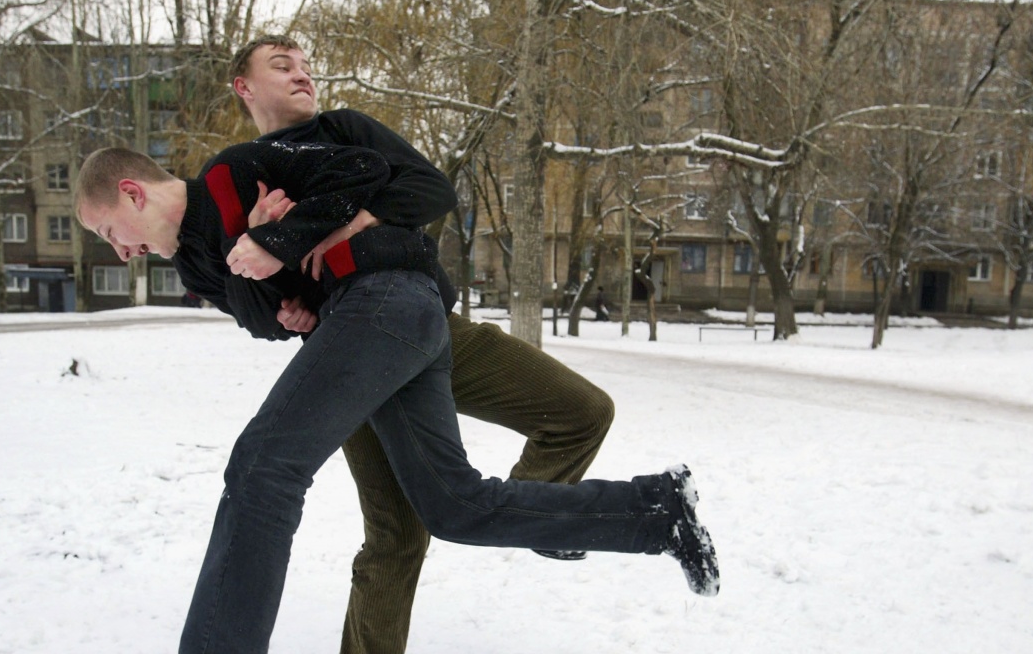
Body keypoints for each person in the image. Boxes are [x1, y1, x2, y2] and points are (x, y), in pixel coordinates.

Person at [74, 143, 720, 654]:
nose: (121, 251)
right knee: (453, 506)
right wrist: (279, 281)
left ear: (131, 193)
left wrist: (281, 233)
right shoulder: (193, 263)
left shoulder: (233, 172)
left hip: (387, 296)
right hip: (377, 327)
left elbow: (362, 169)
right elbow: (266, 317)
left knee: (263, 466)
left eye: (109, 231)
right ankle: (655, 512)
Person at [229, 34, 621, 654]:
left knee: (584, 412)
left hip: (427, 323)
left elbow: (430, 191)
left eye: (306, 66)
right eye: (282, 67)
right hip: (349, 345)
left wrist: (351, 219)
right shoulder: (245, 170)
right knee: (397, 537)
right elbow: (255, 302)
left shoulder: (345, 129)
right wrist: (276, 267)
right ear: (243, 87)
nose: (302, 75)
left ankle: (537, 515)